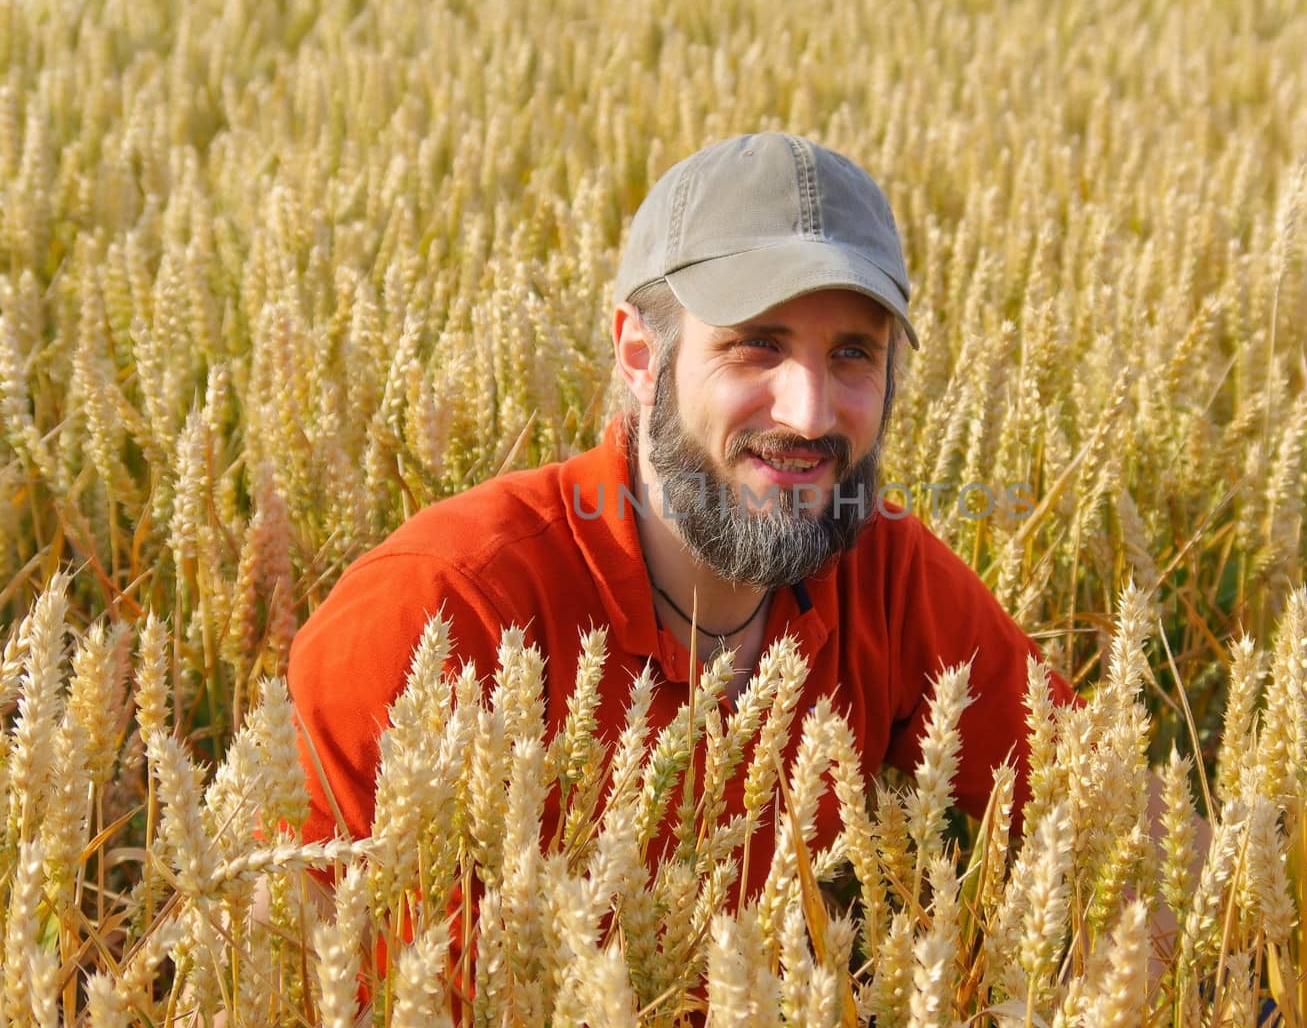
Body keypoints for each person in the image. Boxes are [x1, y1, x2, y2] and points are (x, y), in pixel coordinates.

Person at [287, 131, 1076, 878]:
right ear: (641, 354)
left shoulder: (883, 569)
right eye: (755, 345)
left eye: (852, 354)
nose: (810, 414)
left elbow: (1104, 803)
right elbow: (294, 955)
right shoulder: (443, 612)